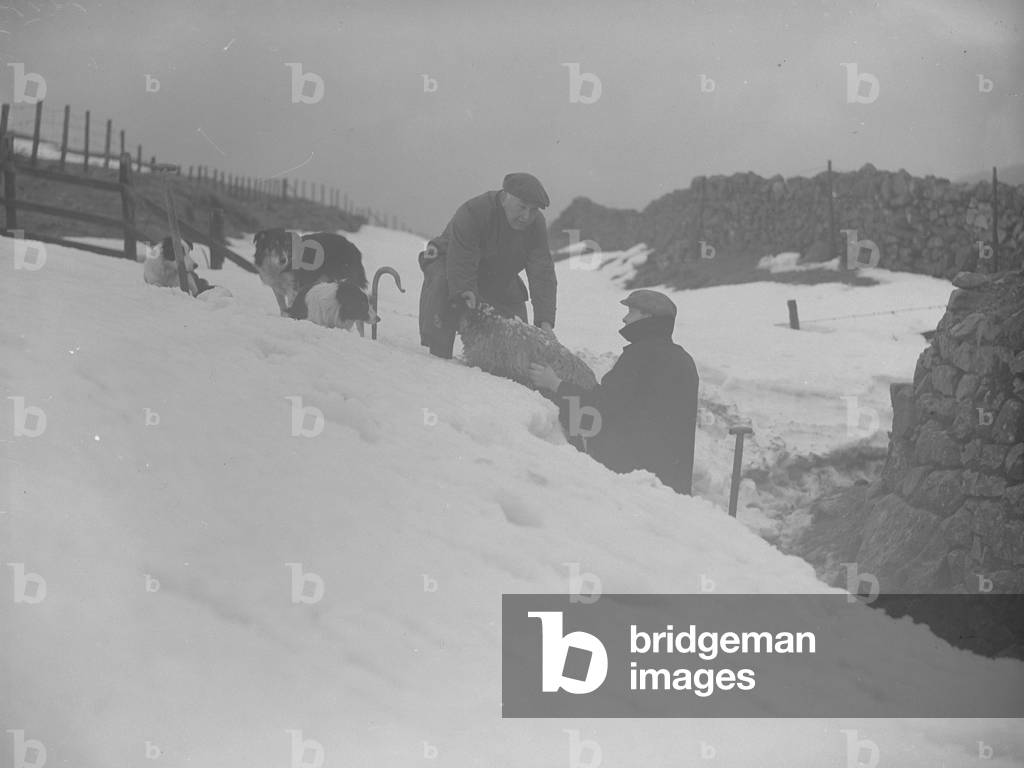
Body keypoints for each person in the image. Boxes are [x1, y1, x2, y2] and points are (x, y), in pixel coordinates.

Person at [528, 289, 699, 495]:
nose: (625, 318)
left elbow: (602, 406)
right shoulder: (684, 360)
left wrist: (555, 383)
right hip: (673, 481)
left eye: (631, 312)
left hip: (635, 479)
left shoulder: (639, 355)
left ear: (647, 317)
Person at [419, 172, 558, 358]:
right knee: (447, 288)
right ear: (506, 197)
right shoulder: (474, 211)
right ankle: (438, 351)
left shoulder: (536, 224)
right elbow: (461, 260)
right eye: (522, 207)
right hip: (451, 264)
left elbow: (542, 272)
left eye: (533, 210)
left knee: (518, 338)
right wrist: (465, 293)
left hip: (496, 275)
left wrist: (545, 322)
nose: (527, 216)